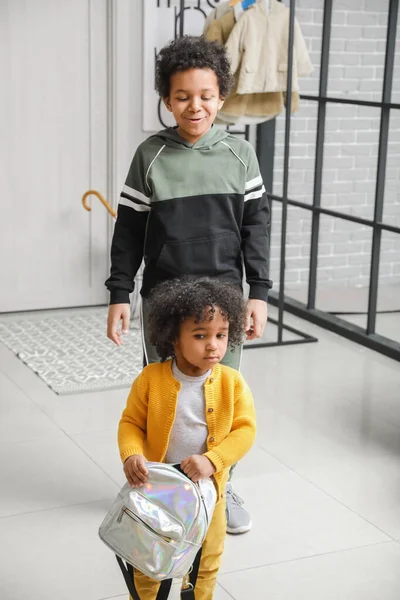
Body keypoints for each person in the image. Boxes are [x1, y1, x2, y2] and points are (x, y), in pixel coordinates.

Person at [106, 35, 271, 534]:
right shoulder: (150, 155)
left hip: (223, 304)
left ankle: (219, 481)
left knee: (219, 398)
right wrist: (118, 293)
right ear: (166, 100)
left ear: (222, 97)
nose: (194, 106)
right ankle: (158, 485)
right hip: (164, 302)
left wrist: (258, 292)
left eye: (205, 95)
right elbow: (129, 228)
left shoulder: (241, 156)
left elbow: (256, 228)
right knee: (166, 398)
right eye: (182, 97)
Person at [118, 277, 256, 600]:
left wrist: (213, 461)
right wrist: (131, 453)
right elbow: (130, 423)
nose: (213, 345)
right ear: (173, 338)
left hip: (210, 495)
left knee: (206, 563)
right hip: (159, 493)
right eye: (200, 335)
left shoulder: (232, 383)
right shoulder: (151, 379)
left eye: (221, 335)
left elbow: (246, 430)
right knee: (148, 560)